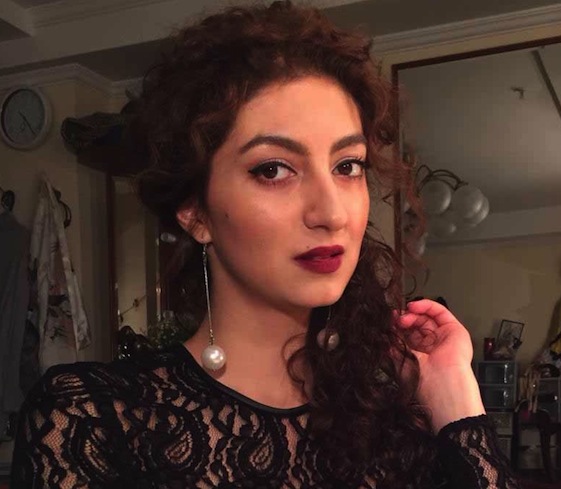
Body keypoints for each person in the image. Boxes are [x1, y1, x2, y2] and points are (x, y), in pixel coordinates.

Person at [10, 2, 518, 488]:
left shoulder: (396, 419)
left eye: (347, 166)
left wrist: (456, 397)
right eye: (273, 170)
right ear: (196, 213)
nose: (332, 213)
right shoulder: (95, 419)